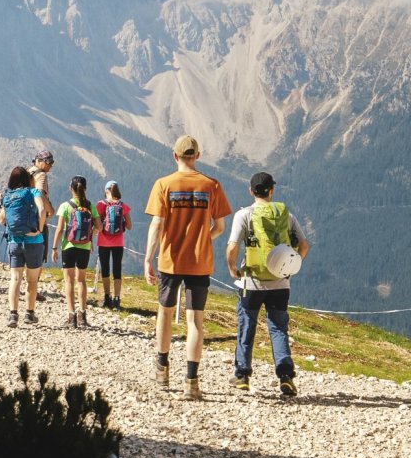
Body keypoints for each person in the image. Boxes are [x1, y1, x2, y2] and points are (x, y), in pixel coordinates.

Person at [144, 135, 231, 399]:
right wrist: (204, 237)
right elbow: (220, 227)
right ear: (198, 156)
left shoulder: (164, 184)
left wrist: (149, 258)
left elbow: (157, 224)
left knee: (165, 313)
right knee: (195, 321)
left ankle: (162, 369)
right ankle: (191, 381)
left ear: (175, 156)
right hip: (200, 261)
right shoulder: (211, 185)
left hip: (170, 260)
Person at [226, 172, 309, 396]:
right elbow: (304, 245)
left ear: (251, 191)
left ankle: (242, 375)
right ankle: (285, 376)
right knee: (278, 328)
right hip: (281, 283)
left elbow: (233, 246)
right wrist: (292, 266)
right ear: (272, 191)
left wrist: (232, 267)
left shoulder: (243, 215)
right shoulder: (287, 215)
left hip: (251, 282)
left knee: (247, 325)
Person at [0, 166, 47, 327]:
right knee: (32, 281)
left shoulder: (8, 196)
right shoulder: (33, 192)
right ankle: (29, 314)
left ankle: (13, 315)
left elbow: (2, 220)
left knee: (15, 278)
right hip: (34, 242)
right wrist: (39, 229)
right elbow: (42, 210)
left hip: (14, 242)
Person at [51, 175, 101, 328]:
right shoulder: (90, 206)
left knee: (69, 281)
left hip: (69, 246)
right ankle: (83, 316)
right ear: (85, 189)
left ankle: (71, 316)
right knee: (82, 281)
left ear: (70, 188)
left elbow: (59, 229)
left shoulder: (65, 206)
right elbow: (99, 226)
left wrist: (54, 248)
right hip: (84, 247)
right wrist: (90, 236)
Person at [96, 180, 132, 309]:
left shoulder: (100, 205)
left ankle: (107, 297)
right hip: (118, 242)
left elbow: (97, 224)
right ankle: (117, 299)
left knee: (105, 269)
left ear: (106, 191)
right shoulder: (123, 206)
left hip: (103, 242)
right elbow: (129, 226)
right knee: (117, 270)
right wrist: (120, 226)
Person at [28, 151, 55, 300]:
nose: (50, 166)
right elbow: (40, 194)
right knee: (38, 256)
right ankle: (32, 289)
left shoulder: (26, 171)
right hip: (37, 218)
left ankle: (20, 287)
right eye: (49, 162)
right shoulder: (41, 176)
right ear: (40, 161)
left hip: (22, 218)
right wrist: (50, 210)